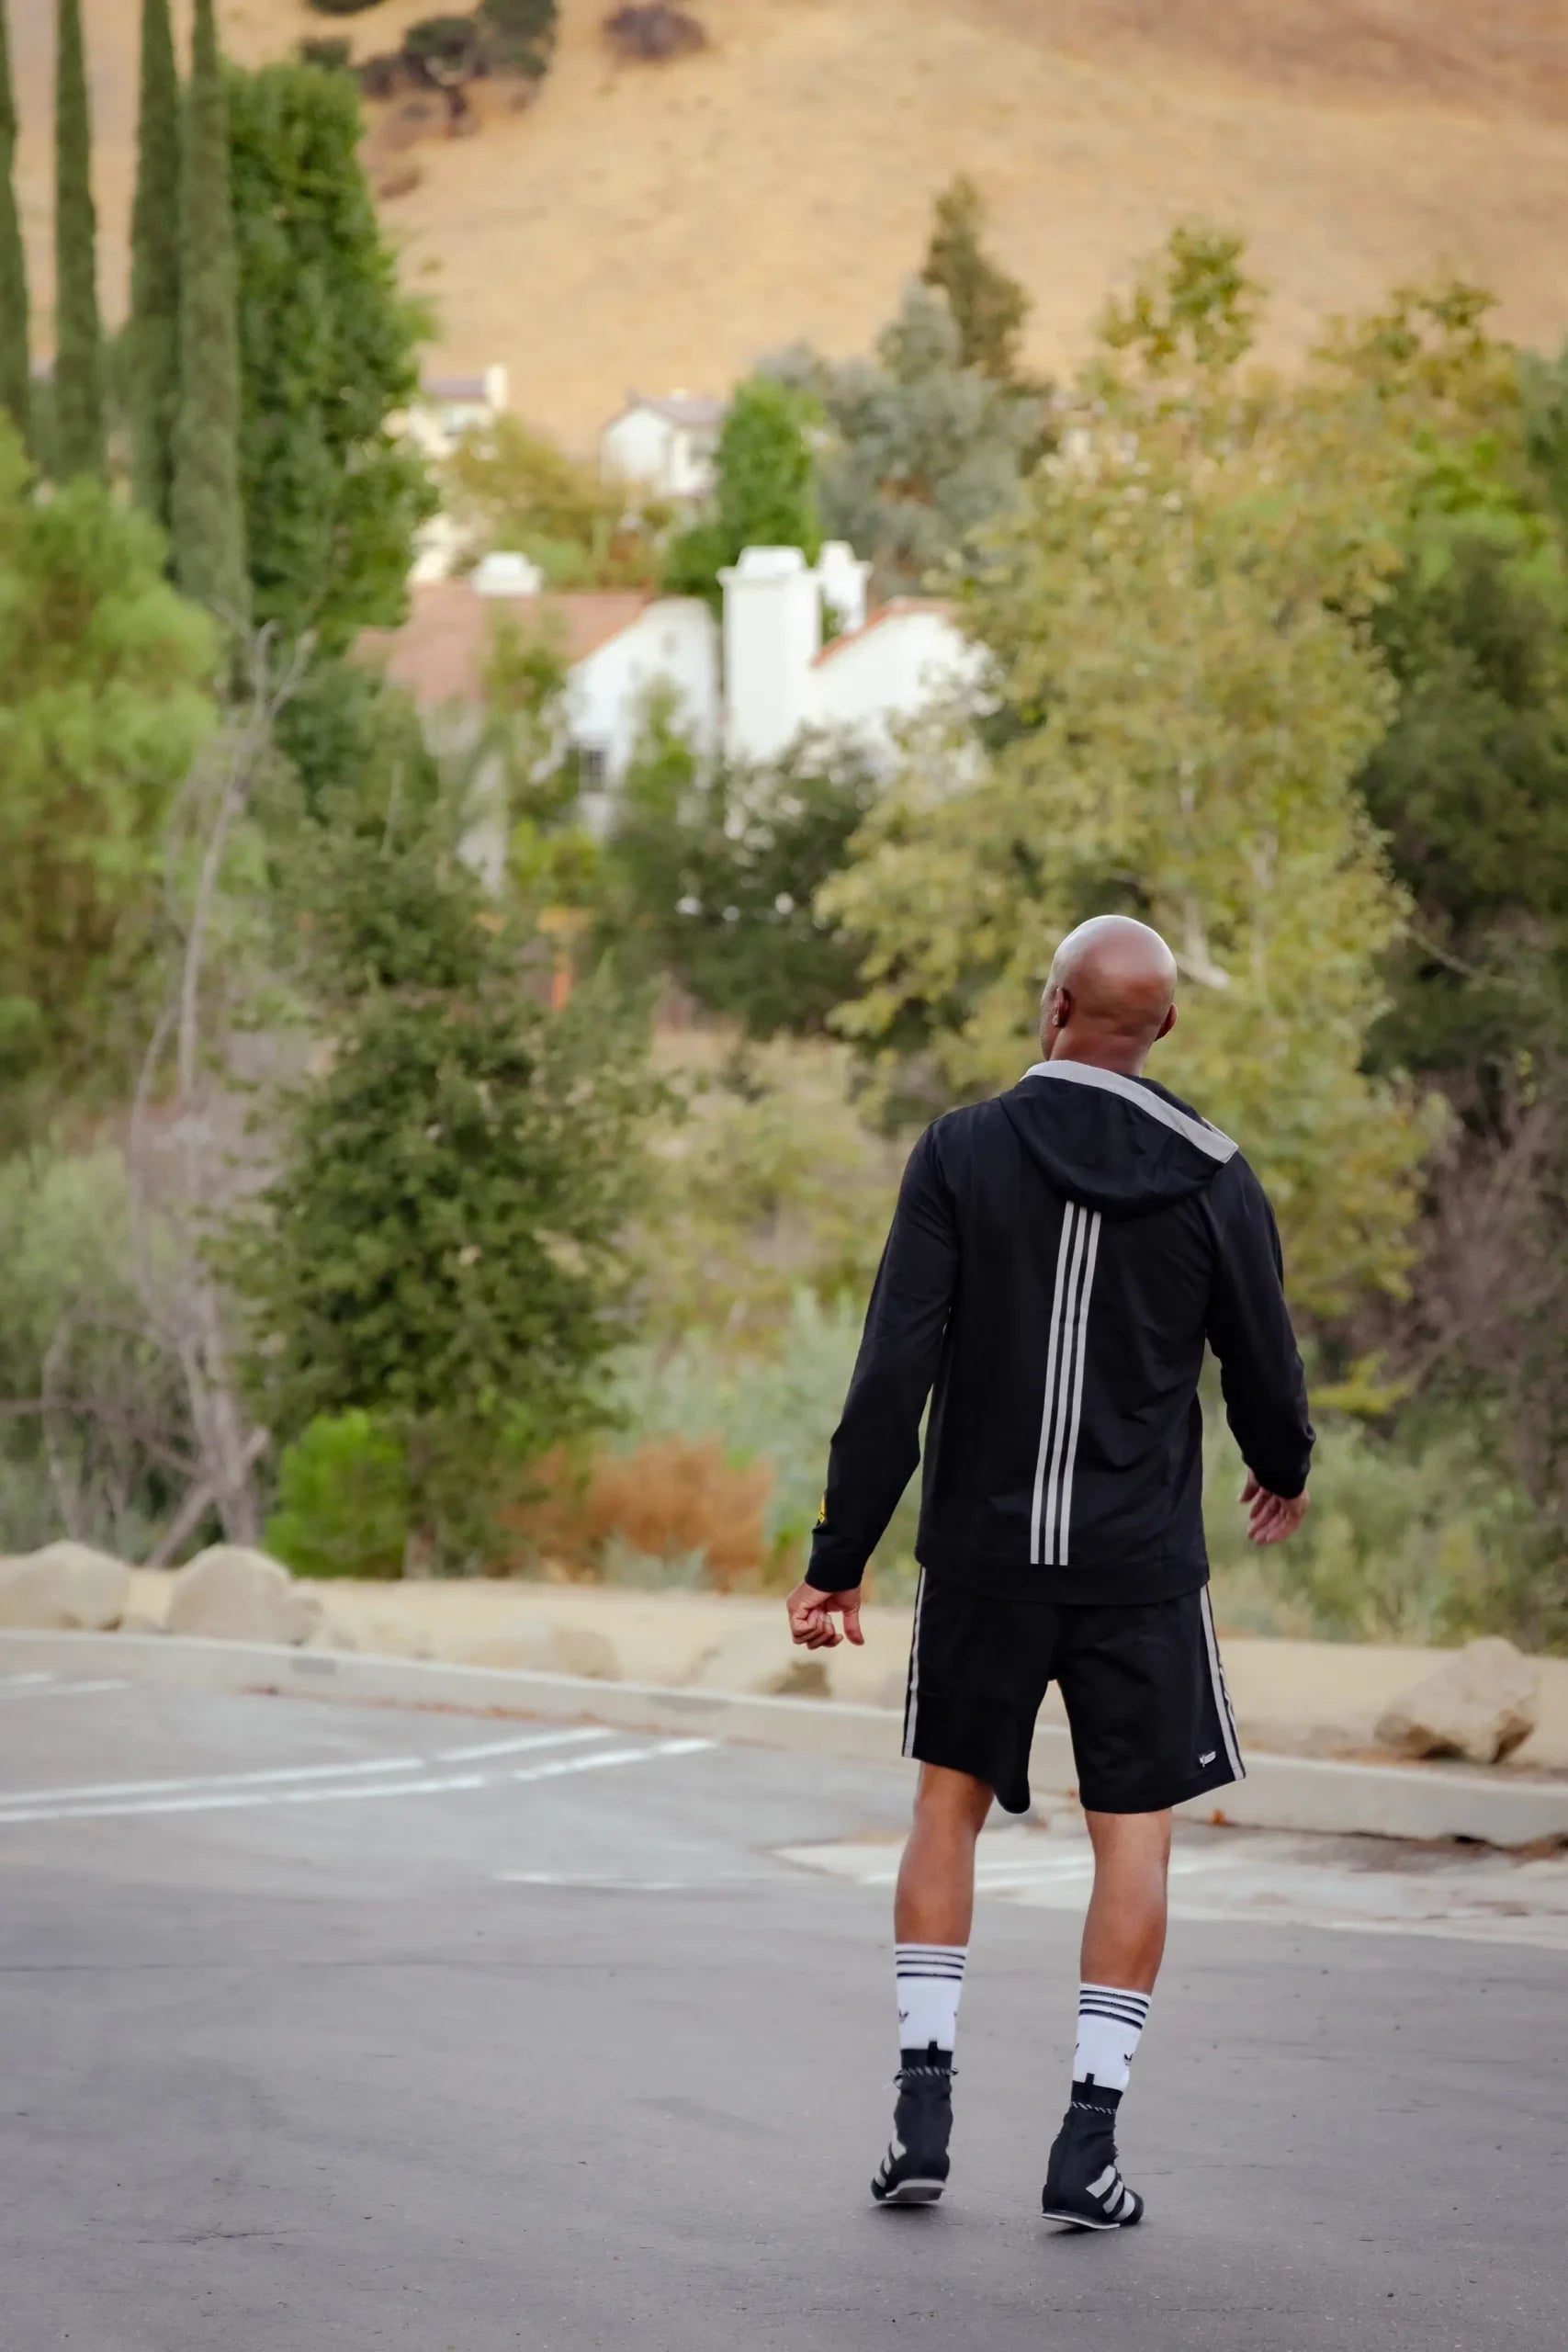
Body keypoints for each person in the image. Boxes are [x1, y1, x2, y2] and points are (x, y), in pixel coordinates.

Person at [784, 914, 1313, 2230]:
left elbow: (891, 1372)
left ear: (1054, 1007)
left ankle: (922, 2110)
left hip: (983, 1559)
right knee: (1132, 1838)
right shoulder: (1216, 1173)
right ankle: (1087, 2144)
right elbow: (1266, 1364)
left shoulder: (962, 1152)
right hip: (1138, 1570)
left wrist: (838, 1557)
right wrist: (1282, 1462)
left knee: (944, 1813)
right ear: (1165, 1027)